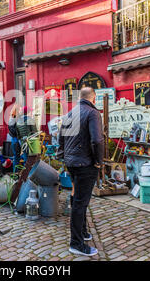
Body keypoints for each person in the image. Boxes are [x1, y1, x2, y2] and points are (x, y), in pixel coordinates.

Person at [57, 87, 104, 257]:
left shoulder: (70, 113)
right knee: (80, 203)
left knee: (78, 199)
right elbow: (97, 140)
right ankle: (76, 244)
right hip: (85, 163)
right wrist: (99, 162)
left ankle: (83, 232)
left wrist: (63, 157)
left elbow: (60, 138)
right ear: (93, 98)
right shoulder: (92, 113)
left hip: (72, 162)